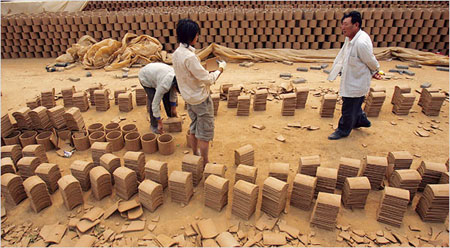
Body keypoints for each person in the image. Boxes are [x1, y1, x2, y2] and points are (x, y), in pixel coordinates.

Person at [172, 18, 226, 165]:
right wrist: (221, 69)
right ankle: (206, 162)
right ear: (191, 36)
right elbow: (208, 80)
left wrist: (201, 69)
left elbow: (188, 73)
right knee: (205, 133)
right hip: (200, 99)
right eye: (196, 34)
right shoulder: (189, 57)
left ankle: (195, 154)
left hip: (189, 99)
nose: (198, 37)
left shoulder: (176, 53)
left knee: (194, 126)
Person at [327, 11, 382, 140]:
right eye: (342, 24)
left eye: (345, 24)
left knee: (348, 108)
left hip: (356, 81)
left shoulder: (361, 43)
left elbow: (370, 60)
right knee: (353, 103)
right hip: (351, 78)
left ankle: (343, 131)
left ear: (356, 25)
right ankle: (361, 120)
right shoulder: (350, 38)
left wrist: (376, 71)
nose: (342, 27)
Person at [138, 62, 180, 134]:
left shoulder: (177, 79)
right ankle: (154, 125)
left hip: (157, 74)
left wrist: (173, 109)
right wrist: (159, 122)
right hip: (145, 77)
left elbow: (173, 93)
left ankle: (171, 117)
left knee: (167, 94)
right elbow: (155, 104)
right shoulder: (164, 85)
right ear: (175, 86)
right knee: (153, 99)